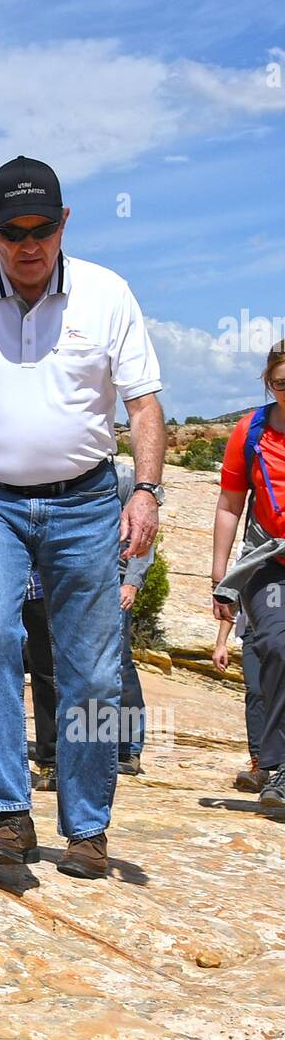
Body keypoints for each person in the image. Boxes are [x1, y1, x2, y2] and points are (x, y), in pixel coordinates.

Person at [0, 155, 165, 880]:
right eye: (11, 230)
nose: (28, 244)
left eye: (41, 228)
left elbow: (143, 404)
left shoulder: (107, 295)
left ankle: (87, 826)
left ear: (63, 224)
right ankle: (7, 816)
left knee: (93, 672)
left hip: (84, 501)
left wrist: (143, 491)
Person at [0, 459, 155, 789]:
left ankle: (117, 750)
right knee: (13, 661)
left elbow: (144, 536)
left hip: (72, 583)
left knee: (100, 667)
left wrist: (132, 582)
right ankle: (33, 767)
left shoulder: (110, 473)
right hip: (8, 582)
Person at [212, 340, 285, 813]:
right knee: (278, 645)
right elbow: (229, 504)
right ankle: (277, 767)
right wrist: (221, 575)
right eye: (281, 383)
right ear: (268, 383)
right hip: (267, 562)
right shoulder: (250, 430)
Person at [213, 604, 268, 792]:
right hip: (253, 633)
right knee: (255, 691)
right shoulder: (247, 573)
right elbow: (230, 604)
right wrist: (221, 644)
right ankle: (259, 766)